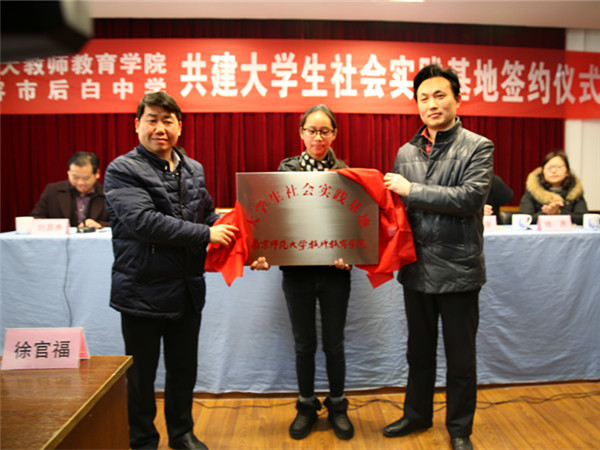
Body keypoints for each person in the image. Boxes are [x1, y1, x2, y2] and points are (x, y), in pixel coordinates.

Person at [103, 91, 238, 450]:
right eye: (152, 120)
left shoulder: (193, 169)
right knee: (141, 377)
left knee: (183, 371)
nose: (160, 128)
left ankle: (182, 434)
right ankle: (142, 440)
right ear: (137, 125)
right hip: (141, 290)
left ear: (180, 126)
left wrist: (243, 236)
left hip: (186, 290)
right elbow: (145, 222)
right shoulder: (122, 170)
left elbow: (206, 215)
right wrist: (207, 234)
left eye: (167, 120)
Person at [383, 64, 494, 450]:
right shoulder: (406, 152)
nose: (431, 104)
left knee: (461, 359)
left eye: (440, 95)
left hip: (459, 269)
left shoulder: (477, 146)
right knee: (418, 352)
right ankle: (417, 414)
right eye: (423, 98)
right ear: (416, 105)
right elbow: (397, 212)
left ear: (457, 100)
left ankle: (460, 429)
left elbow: (469, 198)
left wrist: (411, 189)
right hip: (416, 268)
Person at [251, 104, 355, 441]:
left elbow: (356, 224)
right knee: (303, 343)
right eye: (312, 130)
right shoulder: (285, 171)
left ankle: (337, 404)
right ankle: (307, 404)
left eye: (325, 131)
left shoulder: (346, 174)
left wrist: (351, 253)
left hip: (335, 273)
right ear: (301, 133)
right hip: (297, 273)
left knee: (335, 343)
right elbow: (273, 219)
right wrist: (264, 251)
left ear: (334, 134)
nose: (318, 137)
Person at [30, 151, 109, 228]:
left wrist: (101, 225)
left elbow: (115, 222)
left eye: (86, 178)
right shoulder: (52, 191)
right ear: (68, 173)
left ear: (97, 174)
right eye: (75, 177)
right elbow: (36, 218)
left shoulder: (107, 194)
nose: (80, 183)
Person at [518, 151, 588, 225]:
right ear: (543, 172)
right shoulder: (533, 191)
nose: (553, 171)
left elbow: (582, 218)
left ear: (567, 171)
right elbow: (525, 219)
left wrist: (559, 212)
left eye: (558, 167)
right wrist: (547, 213)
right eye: (549, 167)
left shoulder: (575, 191)